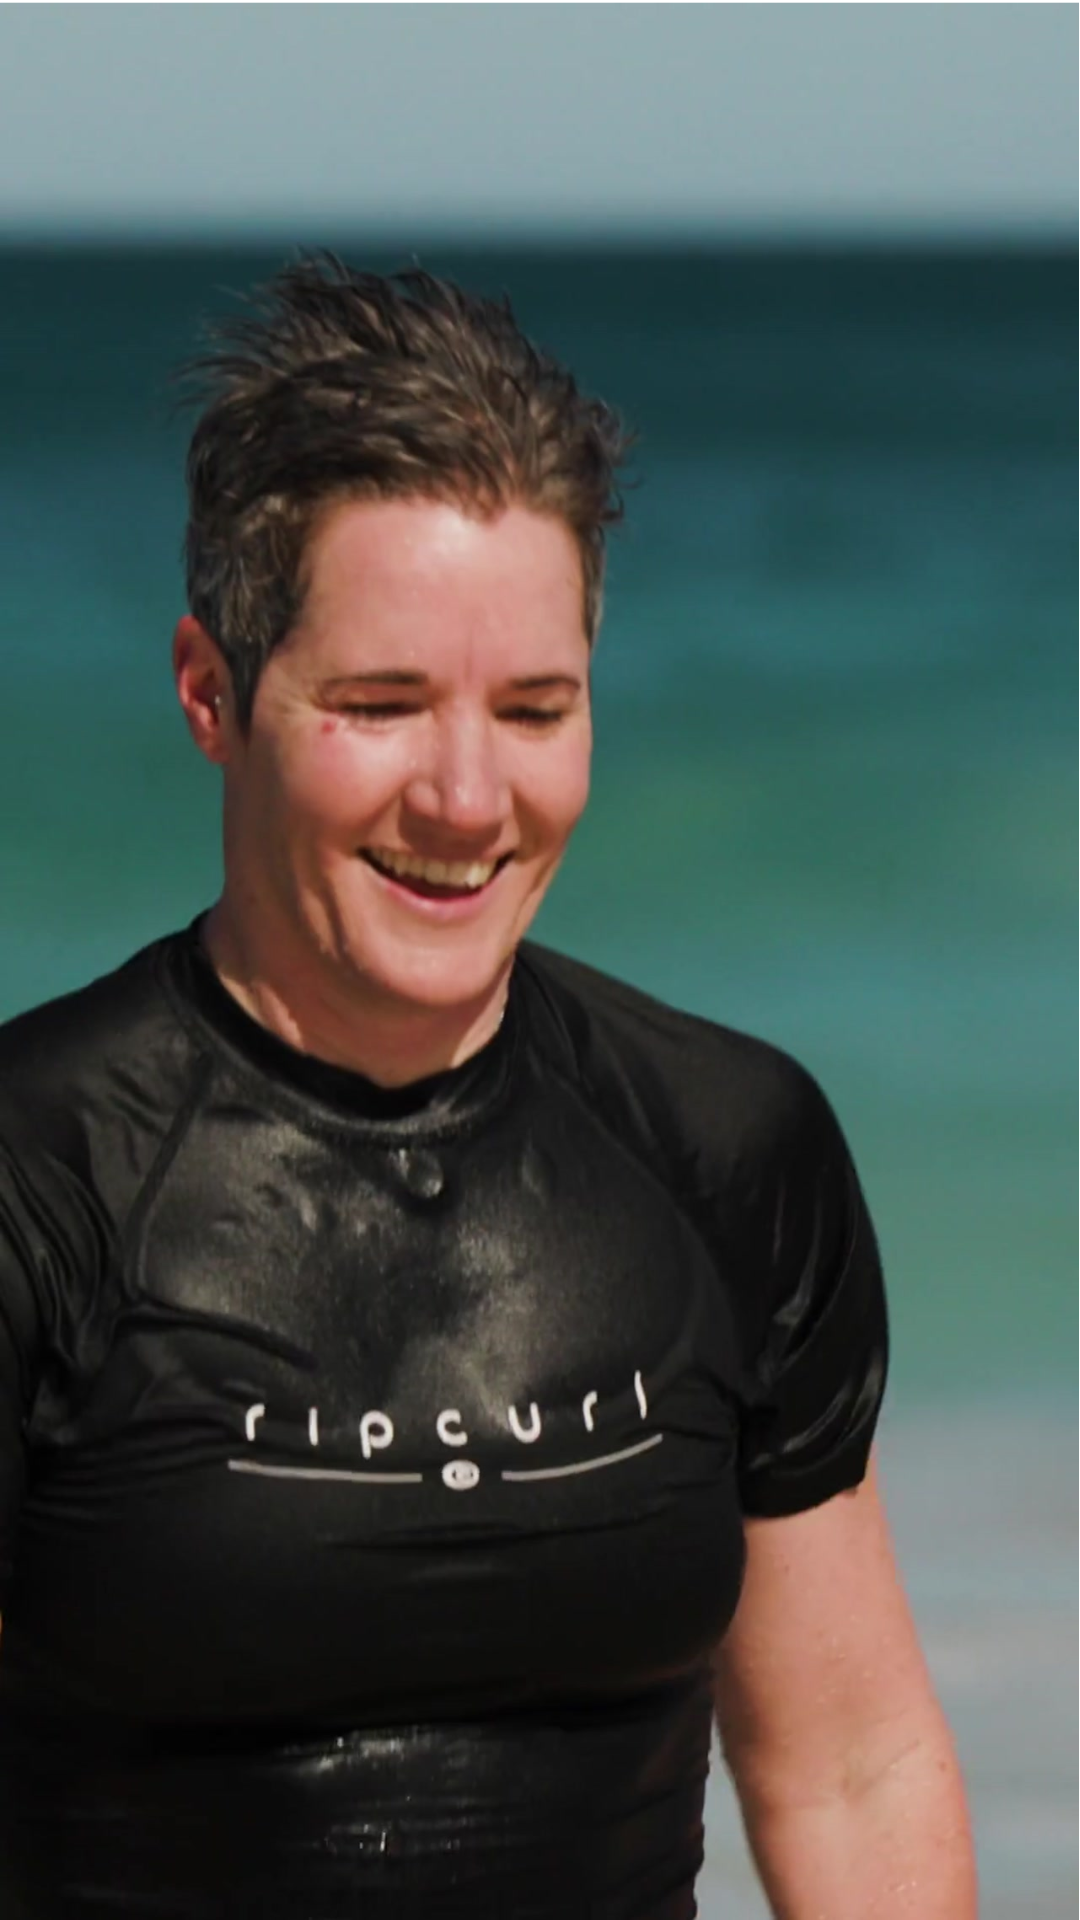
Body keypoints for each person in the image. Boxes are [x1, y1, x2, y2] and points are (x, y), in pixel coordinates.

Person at [0, 252, 975, 1920]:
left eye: (536, 708)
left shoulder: (729, 1145)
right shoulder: (45, 1168)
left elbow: (849, 1768)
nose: (467, 796)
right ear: (211, 694)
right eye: (381, 707)